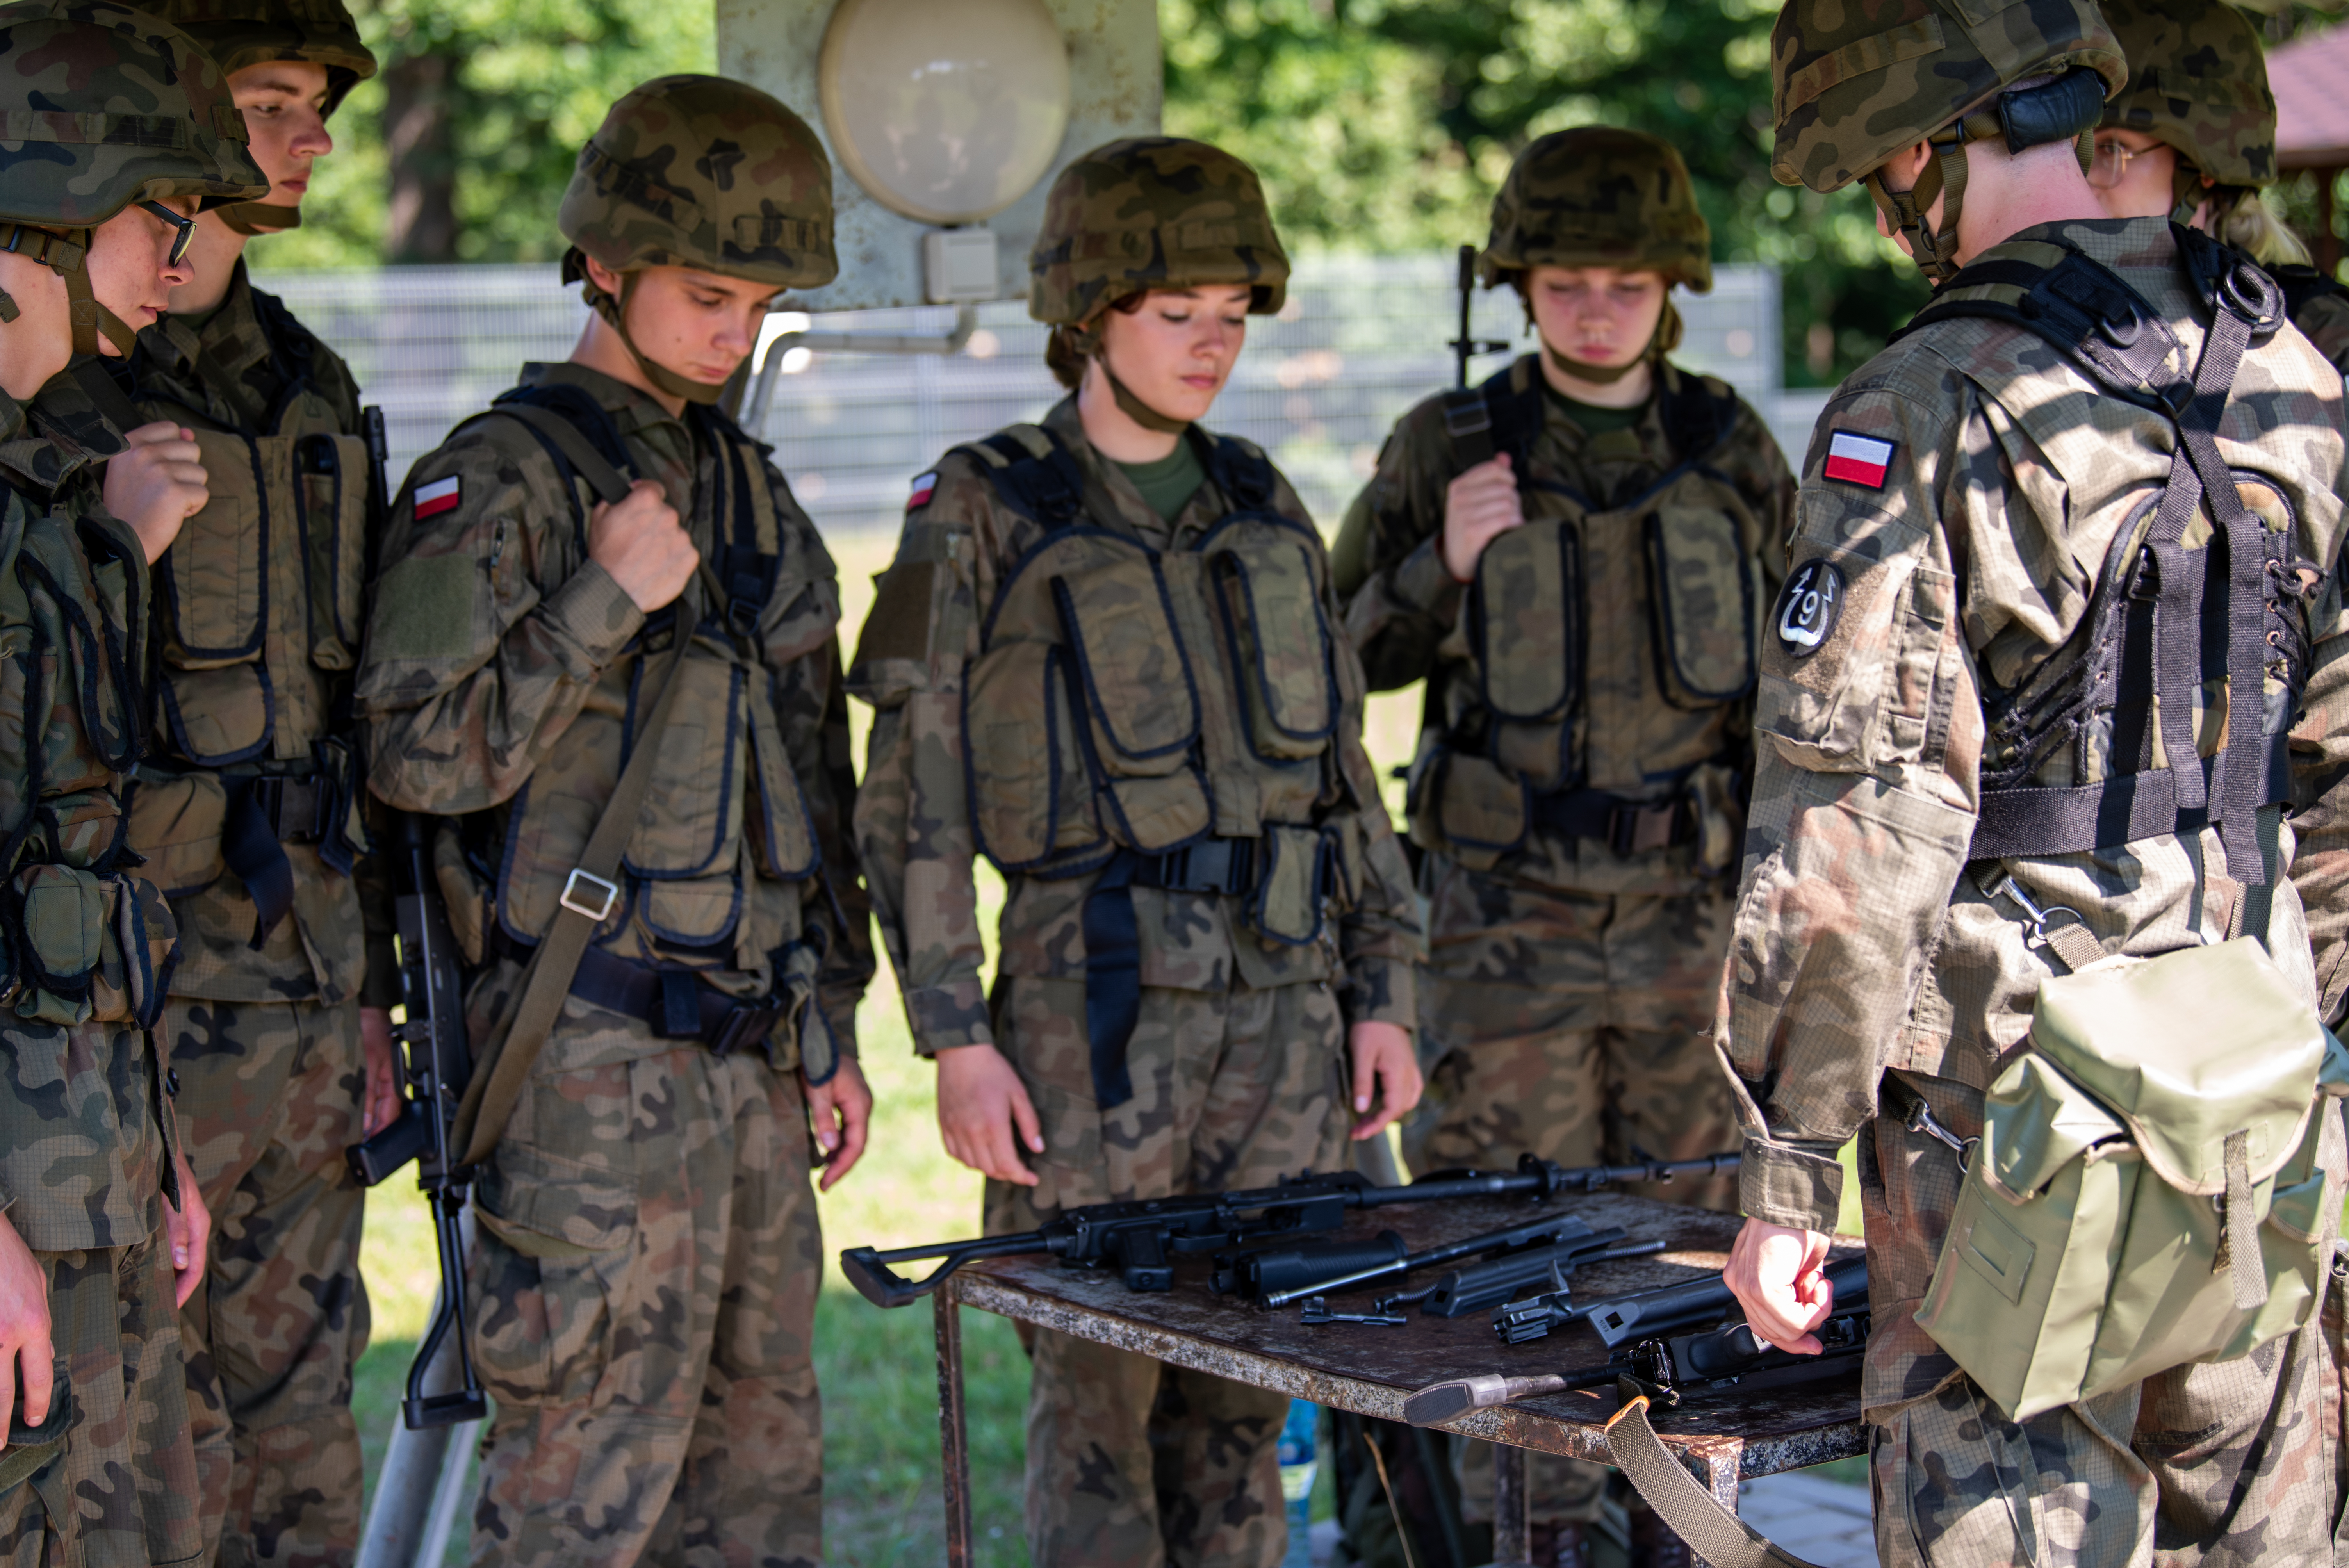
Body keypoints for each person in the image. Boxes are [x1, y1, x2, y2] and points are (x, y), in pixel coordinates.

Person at [1723, 2, 2349, 1564]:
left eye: (1878, 176)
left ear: (1925, 153)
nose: (1882, 214)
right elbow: (2334, 772)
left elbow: (1854, 828)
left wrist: (1787, 1177)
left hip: (2019, 1121)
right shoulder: (2296, 370)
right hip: (2259, 1083)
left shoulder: (1927, 395)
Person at [850, 136, 1425, 1568]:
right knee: (1094, 1398)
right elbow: (908, 792)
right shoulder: (981, 504)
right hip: (1084, 1020)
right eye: (1178, 317)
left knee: (1243, 1392)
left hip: (1282, 1019)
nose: (1211, 348)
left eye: (1232, 317)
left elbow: (1341, 776)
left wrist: (1385, 988)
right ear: (1087, 311)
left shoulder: (1260, 498)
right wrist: (952, 1036)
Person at [354, 74, 872, 1568]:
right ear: (602, 263)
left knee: (762, 1489)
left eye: (758, 303)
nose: (734, 330)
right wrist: (599, 602)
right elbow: (413, 756)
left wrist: (826, 1020)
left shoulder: (744, 486)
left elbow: (802, 780)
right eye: (709, 293)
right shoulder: (499, 474)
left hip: (750, 1065)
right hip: (581, 1072)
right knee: (584, 1499)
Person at [1331, 128, 1791, 1563]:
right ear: (1516, 284)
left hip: (1682, 943)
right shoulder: (1448, 445)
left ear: (1672, 288)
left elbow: (1814, 684)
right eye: (1564, 280)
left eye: (1624, 282)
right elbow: (1321, 663)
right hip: (1495, 939)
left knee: (1687, 1277)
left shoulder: (1729, 454)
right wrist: (1437, 565)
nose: (1593, 308)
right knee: (1502, 1279)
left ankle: (1676, 1548)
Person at [80, 4, 395, 1560]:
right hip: (128, 1012)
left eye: (314, 105)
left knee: (305, 1417)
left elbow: (355, 718)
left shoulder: (312, 384)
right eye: (275, 99)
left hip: (305, 998)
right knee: (144, 1435)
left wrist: (373, 993)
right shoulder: (58, 380)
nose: (313, 135)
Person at [0, 1, 269, 1563]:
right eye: (163, 214)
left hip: (86, 1182)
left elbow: (70, 863)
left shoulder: (50, 489)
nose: (182, 260)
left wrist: (156, 1139)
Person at [2086, 0, 2349, 373]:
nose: (2082, 179)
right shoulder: (2065, 307)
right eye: (2076, 149)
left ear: (2206, 165)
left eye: (2113, 149)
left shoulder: (2319, 333)